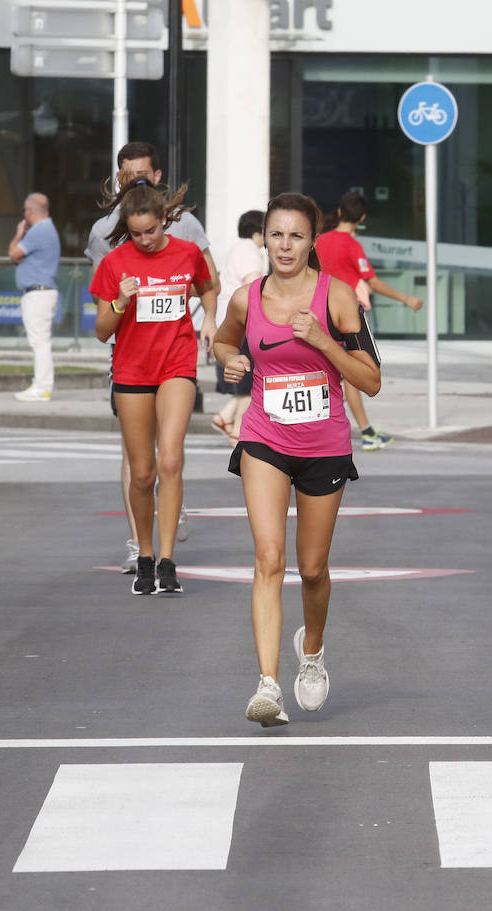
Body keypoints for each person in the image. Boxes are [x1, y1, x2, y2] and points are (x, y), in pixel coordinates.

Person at [213, 192, 383, 727]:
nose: (285, 246)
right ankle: (267, 686)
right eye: (277, 235)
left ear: (313, 241)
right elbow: (220, 343)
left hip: (324, 444)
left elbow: (372, 381)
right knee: (268, 558)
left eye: (297, 236)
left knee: (311, 569)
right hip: (264, 437)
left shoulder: (337, 299)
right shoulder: (247, 298)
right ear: (264, 238)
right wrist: (232, 360)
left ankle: (311, 652)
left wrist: (325, 344)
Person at [90, 177, 216, 595]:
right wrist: (120, 302)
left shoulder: (187, 252)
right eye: (137, 233)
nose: (145, 240)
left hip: (177, 364)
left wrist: (210, 321)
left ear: (165, 220)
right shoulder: (115, 263)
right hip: (132, 372)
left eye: (152, 230)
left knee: (172, 460)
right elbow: (102, 332)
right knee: (142, 474)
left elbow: (208, 286)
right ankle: (143, 554)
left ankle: (167, 560)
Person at [314, 192, 422, 450]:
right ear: (361, 218)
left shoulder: (319, 241)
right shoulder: (352, 246)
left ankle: (337, 430)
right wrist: (405, 298)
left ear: (339, 212)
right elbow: (372, 281)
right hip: (349, 317)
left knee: (324, 372)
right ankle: (366, 431)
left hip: (320, 313)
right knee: (354, 373)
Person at [211, 209, 266, 446]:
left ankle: (225, 418)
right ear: (259, 231)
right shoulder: (251, 252)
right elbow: (253, 287)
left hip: (228, 320)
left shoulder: (235, 248)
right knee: (250, 378)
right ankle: (237, 432)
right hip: (244, 322)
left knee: (246, 378)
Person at [9, 192, 61, 402]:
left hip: (38, 293)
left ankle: (42, 387)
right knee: (41, 341)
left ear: (29, 211)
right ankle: (40, 385)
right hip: (42, 291)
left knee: (40, 342)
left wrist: (19, 233)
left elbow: (13, 253)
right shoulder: (47, 228)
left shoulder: (39, 230)